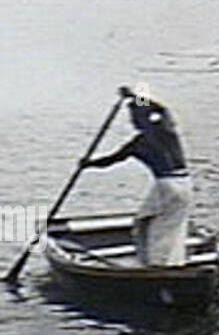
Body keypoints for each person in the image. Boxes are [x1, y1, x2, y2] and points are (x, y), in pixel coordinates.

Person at [80, 87, 193, 267]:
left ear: (140, 120)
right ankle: (172, 262)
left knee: (145, 224)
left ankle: (156, 265)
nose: (132, 121)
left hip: (167, 186)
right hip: (186, 184)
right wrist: (135, 97)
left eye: (134, 117)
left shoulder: (138, 143)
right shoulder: (167, 130)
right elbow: (161, 108)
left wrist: (88, 163)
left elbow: (110, 160)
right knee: (172, 224)